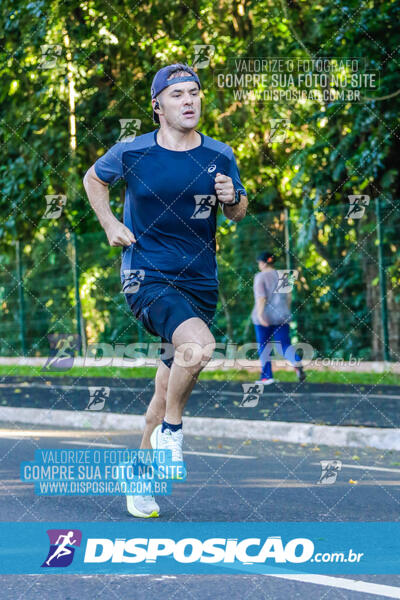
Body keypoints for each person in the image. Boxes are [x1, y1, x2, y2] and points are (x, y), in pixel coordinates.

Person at [83, 63, 248, 518]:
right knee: (198, 348)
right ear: (157, 106)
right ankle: (172, 434)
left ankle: (138, 477)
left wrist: (232, 196)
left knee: (165, 387)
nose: (189, 101)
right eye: (177, 95)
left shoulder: (219, 153)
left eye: (194, 92)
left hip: (200, 281)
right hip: (147, 274)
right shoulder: (132, 152)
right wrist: (111, 223)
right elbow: (93, 179)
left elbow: (237, 211)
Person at [251, 251, 306, 384]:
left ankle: (267, 376)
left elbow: (261, 298)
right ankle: (296, 361)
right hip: (282, 315)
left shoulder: (260, 276)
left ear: (263, 263)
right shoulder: (285, 276)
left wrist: (259, 315)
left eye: (259, 263)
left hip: (265, 316)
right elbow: (289, 298)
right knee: (284, 345)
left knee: (264, 346)